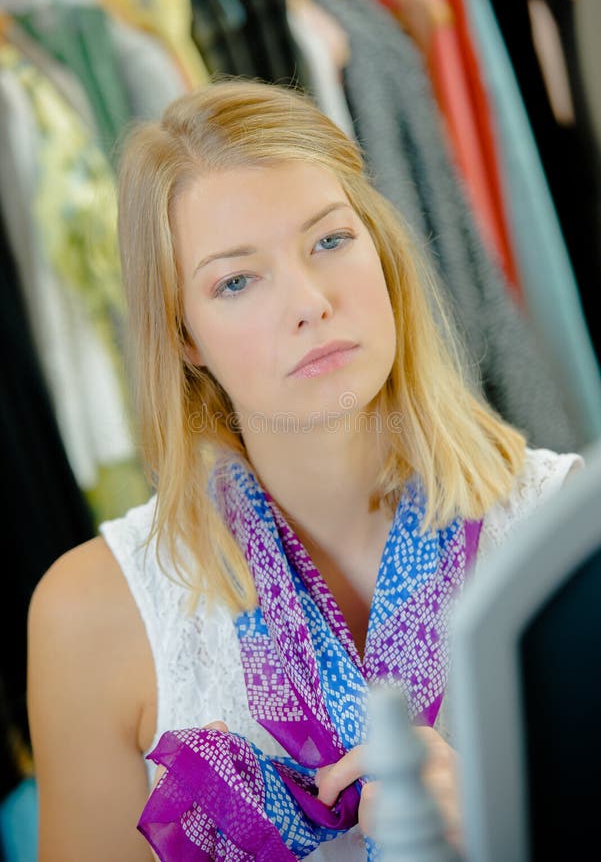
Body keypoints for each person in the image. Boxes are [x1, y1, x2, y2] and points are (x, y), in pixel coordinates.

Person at [27, 79, 583, 862]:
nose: (310, 301)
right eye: (236, 280)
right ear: (183, 338)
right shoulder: (92, 614)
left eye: (329, 240)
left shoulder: (568, 540)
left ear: (381, 250)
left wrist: (516, 821)